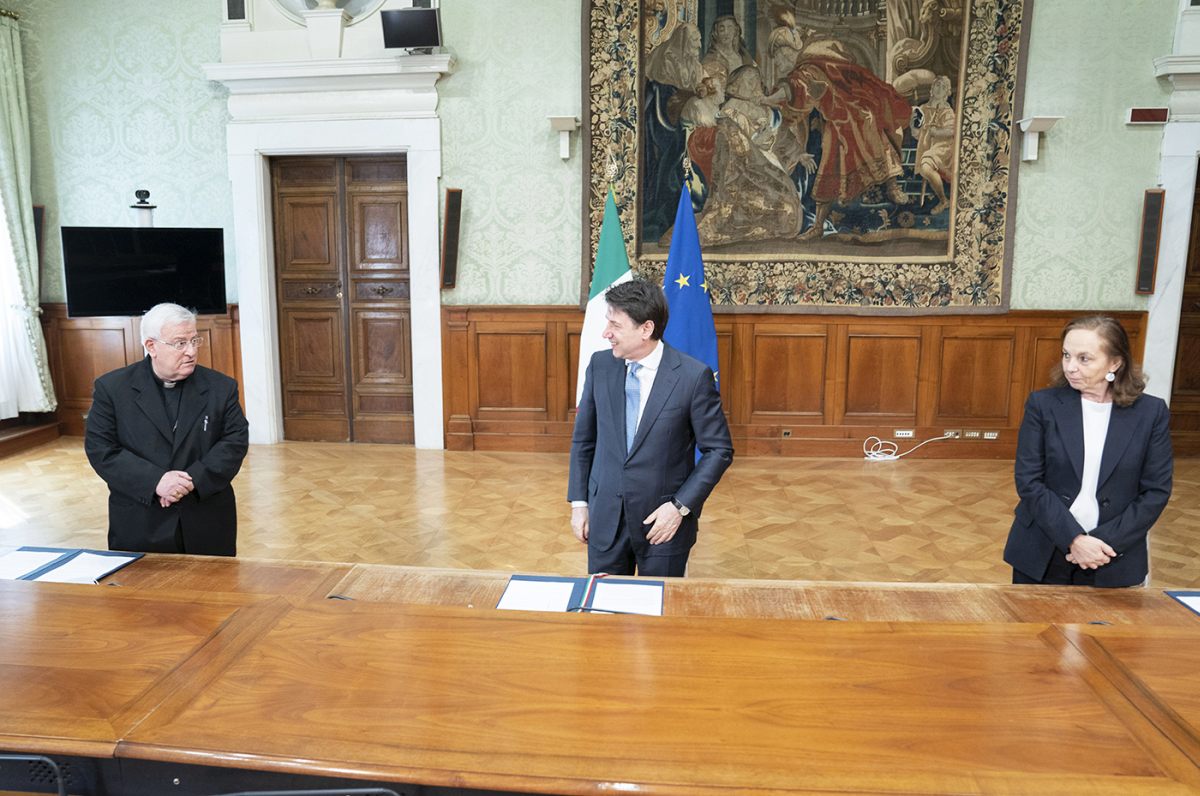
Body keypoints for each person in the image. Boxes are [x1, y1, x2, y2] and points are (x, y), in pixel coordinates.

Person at [568, 279, 733, 577]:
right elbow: (584, 441)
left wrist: (679, 507)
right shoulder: (600, 366)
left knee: (659, 605)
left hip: (663, 523)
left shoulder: (692, 377)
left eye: (615, 325)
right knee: (605, 605)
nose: (606, 333)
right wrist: (579, 504)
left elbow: (718, 450)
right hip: (604, 518)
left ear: (646, 329)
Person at [1004, 316, 1173, 587]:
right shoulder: (1042, 405)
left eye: (1084, 359)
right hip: (1044, 551)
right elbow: (1029, 481)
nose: (1070, 367)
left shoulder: (1151, 413)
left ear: (1115, 363)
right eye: (1066, 355)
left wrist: (1101, 544)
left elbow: (1156, 491)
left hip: (1111, 556)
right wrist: (1074, 539)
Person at [85, 302, 249, 556]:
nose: (191, 351)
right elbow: (102, 450)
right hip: (141, 520)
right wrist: (156, 481)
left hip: (205, 518)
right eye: (180, 343)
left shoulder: (221, 387)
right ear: (151, 346)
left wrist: (190, 480)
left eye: (194, 341)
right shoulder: (112, 389)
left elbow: (234, 442)